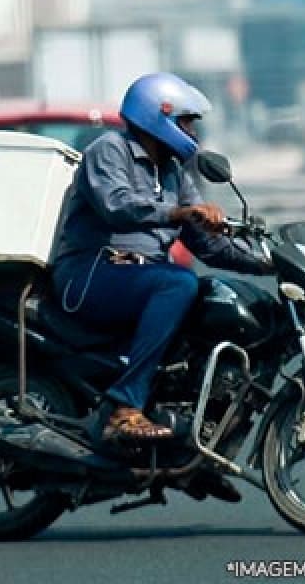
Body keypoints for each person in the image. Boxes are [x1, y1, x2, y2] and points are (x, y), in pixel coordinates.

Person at [52, 72, 271, 450]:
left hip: (138, 278)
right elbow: (116, 205)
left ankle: (196, 433)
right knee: (178, 283)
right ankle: (124, 408)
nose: (191, 133)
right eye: (185, 122)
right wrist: (180, 214)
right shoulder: (110, 149)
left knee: (213, 296)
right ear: (159, 115)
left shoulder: (170, 172)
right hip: (89, 274)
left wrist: (272, 262)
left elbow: (209, 246)